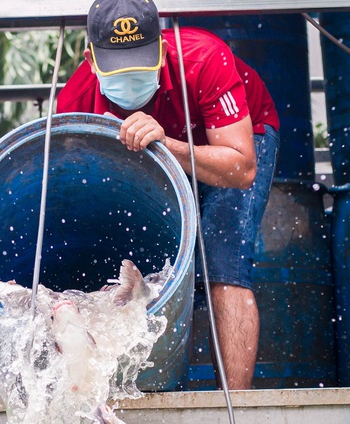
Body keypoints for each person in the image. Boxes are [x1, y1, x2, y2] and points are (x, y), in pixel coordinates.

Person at [56, 0, 279, 390]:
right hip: (156, 157)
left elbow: (241, 168)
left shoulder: (205, 58)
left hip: (232, 143)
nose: (130, 79)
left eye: (141, 67)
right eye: (118, 69)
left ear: (161, 47)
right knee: (143, 266)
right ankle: (142, 390)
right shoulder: (74, 104)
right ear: (91, 59)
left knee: (220, 260)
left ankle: (238, 407)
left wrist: (165, 143)